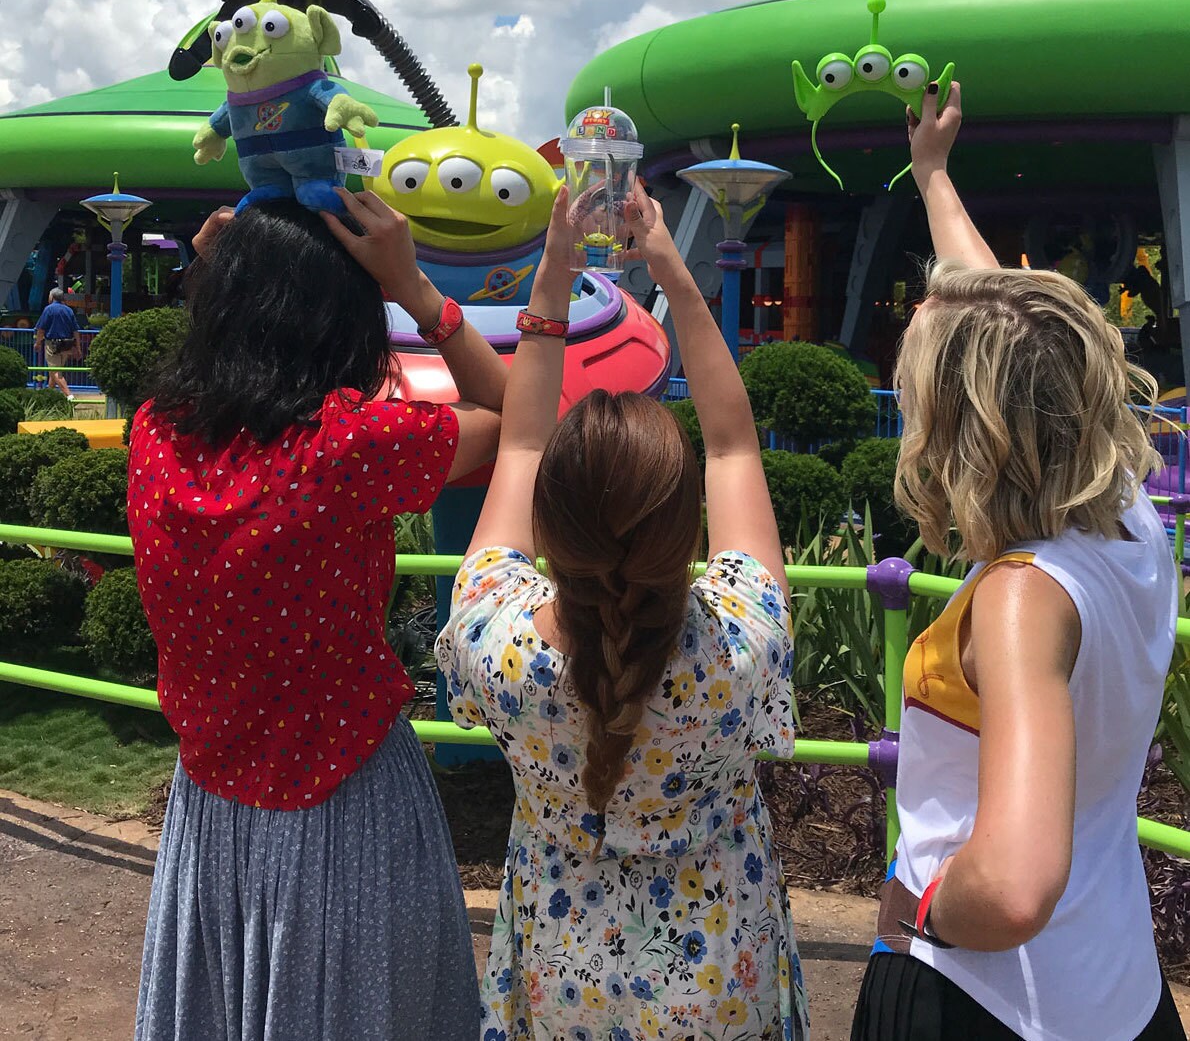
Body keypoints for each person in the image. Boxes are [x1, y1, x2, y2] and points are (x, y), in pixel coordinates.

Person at [129, 191, 508, 1041]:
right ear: (339, 315)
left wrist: (221, 268)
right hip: (348, 810)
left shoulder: (155, 434)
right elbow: (522, 420)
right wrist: (416, 288)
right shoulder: (348, 448)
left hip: (208, 815)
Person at [850, 84, 1187, 1041]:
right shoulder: (1123, 515)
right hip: (1115, 983)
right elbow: (1006, 322)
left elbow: (1016, 886)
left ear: (964, 424)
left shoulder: (1022, 597)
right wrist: (933, 176)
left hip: (992, 1001)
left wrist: (915, 914)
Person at [437, 184, 810, 1040]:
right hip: (716, 983)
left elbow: (521, 439)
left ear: (551, 527)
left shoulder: (499, 642)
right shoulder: (739, 640)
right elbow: (733, 442)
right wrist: (675, 272)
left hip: (561, 981)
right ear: (687, 529)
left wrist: (554, 270)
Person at [33, 286, 81, 398]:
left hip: (52, 345)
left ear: (52, 297)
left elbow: (41, 329)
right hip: (66, 345)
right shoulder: (69, 310)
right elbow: (75, 331)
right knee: (54, 372)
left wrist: (38, 343)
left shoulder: (48, 309)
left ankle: (70, 397)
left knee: (55, 372)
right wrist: (78, 348)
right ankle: (48, 396)